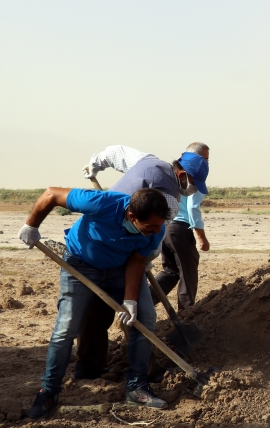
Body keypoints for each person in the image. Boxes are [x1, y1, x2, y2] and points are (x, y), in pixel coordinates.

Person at [18, 187, 172, 419]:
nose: (157, 231)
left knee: (146, 318)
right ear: (132, 216)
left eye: (159, 225)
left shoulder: (156, 231)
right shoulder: (101, 203)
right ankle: (48, 391)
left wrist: (130, 300)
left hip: (121, 268)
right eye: (150, 226)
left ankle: (137, 386)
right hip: (80, 265)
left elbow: (138, 261)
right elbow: (51, 195)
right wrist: (32, 224)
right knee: (65, 329)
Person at [72, 144, 208, 379]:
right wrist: (145, 262)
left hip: (94, 240)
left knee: (96, 310)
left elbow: (118, 153)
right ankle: (147, 371)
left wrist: (96, 163)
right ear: (183, 175)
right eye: (194, 183)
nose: (193, 190)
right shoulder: (171, 200)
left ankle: (89, 367)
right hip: (120, 248)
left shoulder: (149, 162)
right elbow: (153, 237)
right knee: (141, 314)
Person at [153, 146, 211, 311]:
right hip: (179, 230)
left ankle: (144, 303)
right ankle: (186, 313)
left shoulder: (173, 175)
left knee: (170, 272)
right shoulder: (194, 177)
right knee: (188, 274)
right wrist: (201, 237)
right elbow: (193, 208)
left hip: (164, 227)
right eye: (204, 159)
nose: (206, 163)